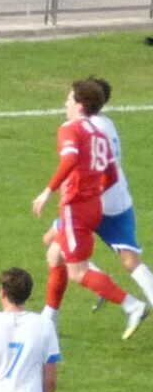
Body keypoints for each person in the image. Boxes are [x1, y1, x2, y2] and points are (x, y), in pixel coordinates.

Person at [32, 77, 132, 320]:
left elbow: (69, 160)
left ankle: (131, 304)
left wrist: (47, 191)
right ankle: (50, 316)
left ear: (80, 104)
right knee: (54, 252)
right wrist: (94, 192)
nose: (66, 102)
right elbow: (111, 173)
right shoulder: (98, 132)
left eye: (69, 98)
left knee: (78, 271)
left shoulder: (71, 128)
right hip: (92, 205)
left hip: (76, 206)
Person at [79, 76, 153, 334]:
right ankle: (102, 285)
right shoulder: (107, 123)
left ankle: (101, 285)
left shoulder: (86, 129)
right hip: (118, 198)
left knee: (56, 244)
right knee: (129, 258)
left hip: (95, 201)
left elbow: (92, 166)